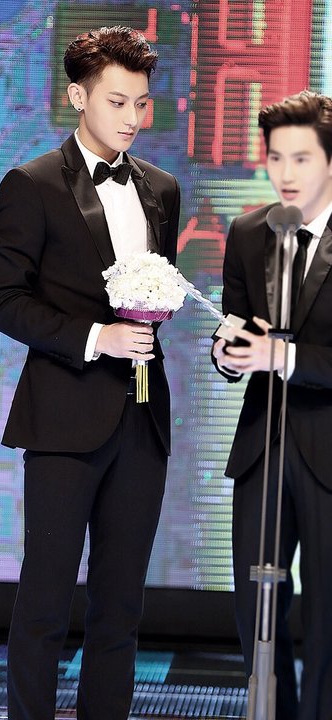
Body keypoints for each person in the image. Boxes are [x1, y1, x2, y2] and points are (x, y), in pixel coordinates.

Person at [0, 26, 180, 720]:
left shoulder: (162, 189)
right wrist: (98, 337)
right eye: (117, 102)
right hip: (63, 418)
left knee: (120, 608)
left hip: (142, 419)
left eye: (141, 104)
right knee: (44, 604)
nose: (132, 118)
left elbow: (154, 293)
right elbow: (3, 301)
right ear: (77, 97)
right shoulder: (32, 184)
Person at [212, 90, 332, 720]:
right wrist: (227, 354)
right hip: (263, 447)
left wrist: (282, 357)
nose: (285, 173)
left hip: (328, 448)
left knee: (327, 615)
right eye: (275, 157)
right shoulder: (248, 233)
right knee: (253, 608)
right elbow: (235, 327)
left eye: (301, 158)